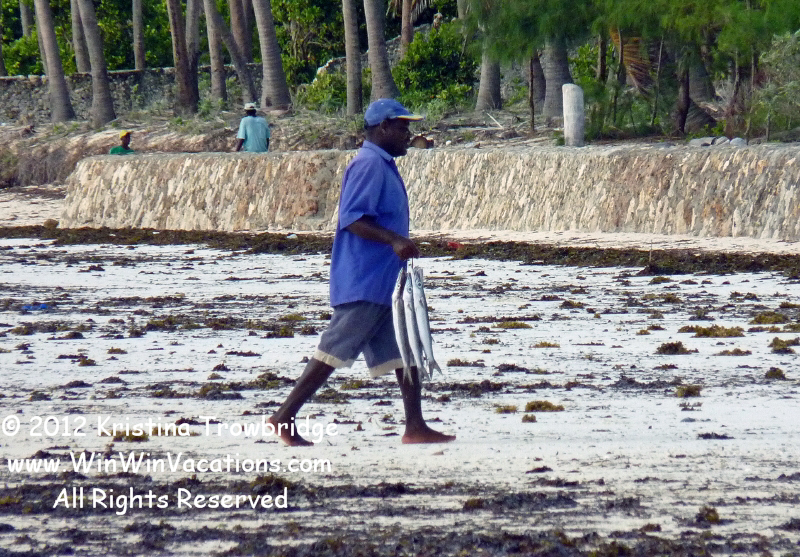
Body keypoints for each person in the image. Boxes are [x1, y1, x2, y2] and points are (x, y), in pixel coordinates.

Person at [269, 99, 456, 447]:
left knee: (404, 350)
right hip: (364, 279)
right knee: (335, 349)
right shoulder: (369, 164)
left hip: (384, 280)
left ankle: (415, 426)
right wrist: (395, 240)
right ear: (383, 127)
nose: (408, 134)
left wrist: (398, 244)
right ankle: (284, 416)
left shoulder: (382, 164)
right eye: (402, 127)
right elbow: (353, 219)